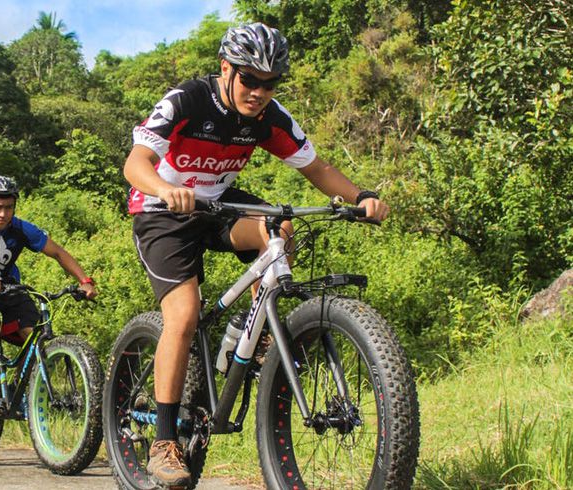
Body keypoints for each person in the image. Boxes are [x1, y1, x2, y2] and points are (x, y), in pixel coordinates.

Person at [123, 22, 390, 487]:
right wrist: (167, 188)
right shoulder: (186, 100)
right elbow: (135, 163)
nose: (259, 92)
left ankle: (250, 330)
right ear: (226, 69)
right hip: (162, 210)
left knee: (278, 227)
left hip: (219, 205)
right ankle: (164, 440)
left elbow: (317, 167)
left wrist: (361, 196)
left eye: (271, 84)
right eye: (250, 79)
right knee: (183, 316)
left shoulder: (269, 117)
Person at [0, 175, 98, 418]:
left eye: (9, 208)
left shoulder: (20, 229)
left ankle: (23, 392)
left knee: (33, 336)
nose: (3, 214)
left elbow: (58, 252)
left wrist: (84, 281)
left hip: (9, 287)